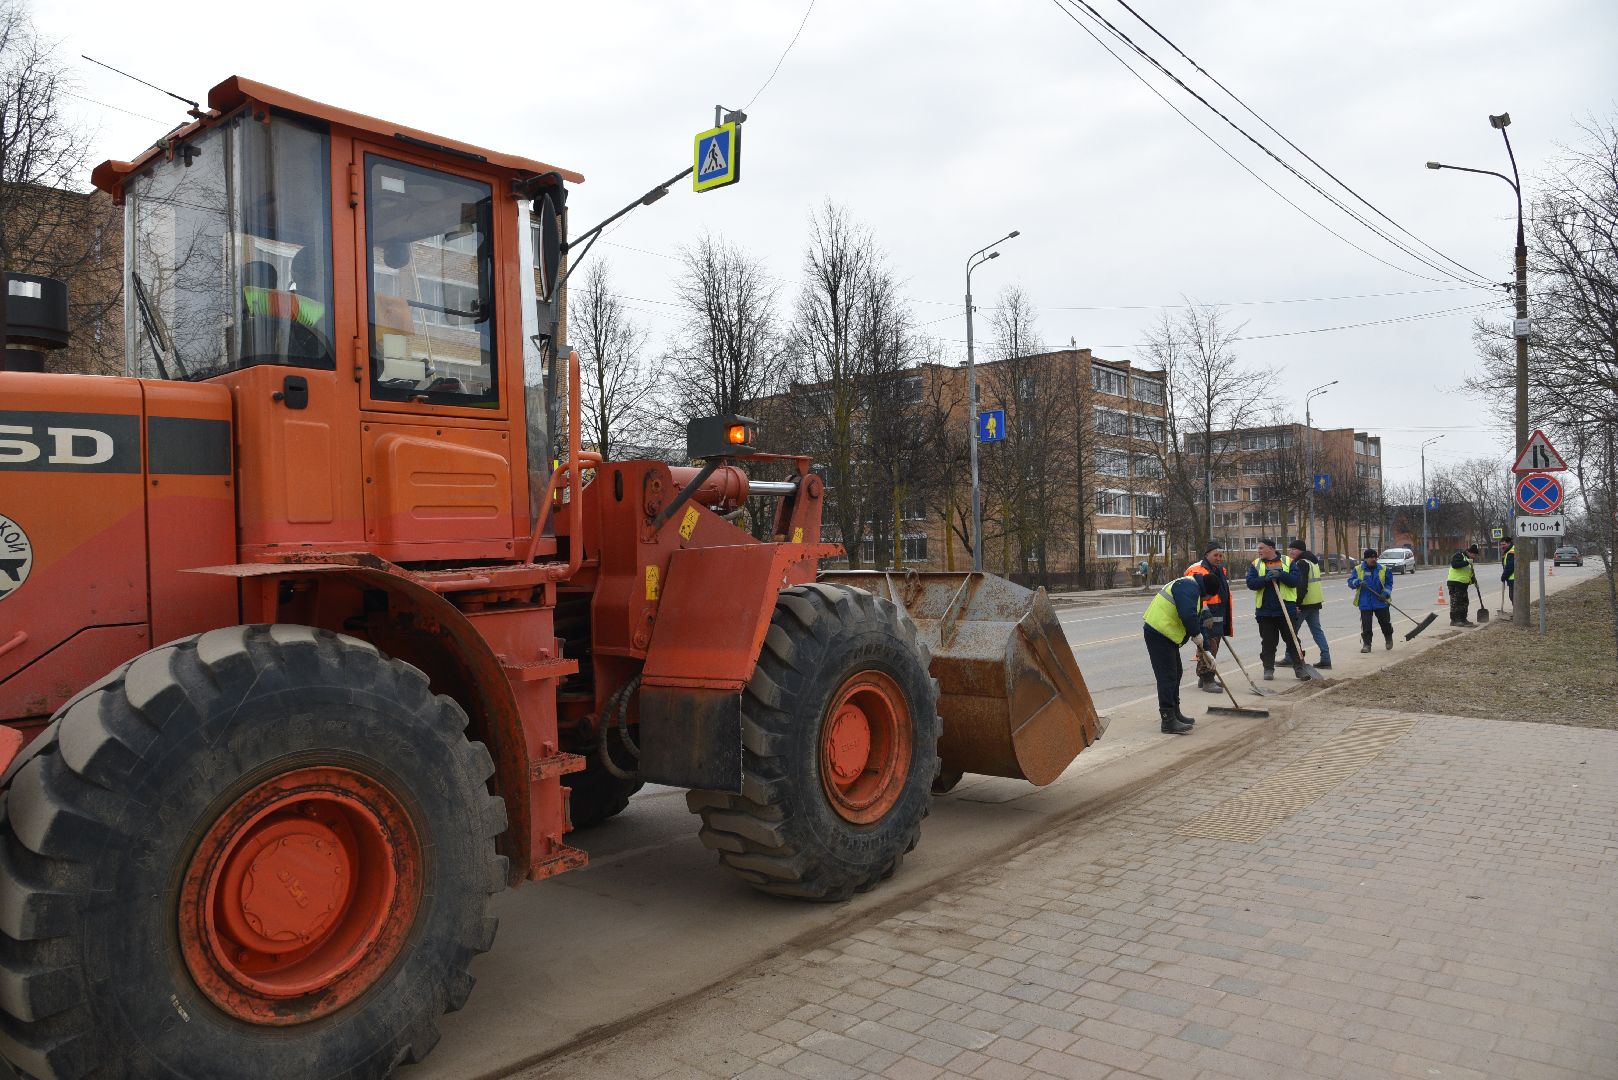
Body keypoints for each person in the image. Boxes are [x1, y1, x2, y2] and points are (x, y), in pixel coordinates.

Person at [1142, 570, 1225, 734]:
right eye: (1208, 597)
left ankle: (1176, 712)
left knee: (1176, 673)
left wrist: (1206, 651)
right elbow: (1188, 616)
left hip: (1167, 635)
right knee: (1168, 676)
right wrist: (1195, 634)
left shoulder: (1194, 590)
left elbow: (1197, 620)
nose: (1207, 600)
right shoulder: (1188, 587)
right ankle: (1168, 720)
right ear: (1207, 591)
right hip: (1158, 633)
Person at [1245, 537, 1305, 680]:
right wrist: (1265, 578)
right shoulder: (1256, 564)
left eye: (1261, 548)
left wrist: (1281, 574)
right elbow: (1251, 583)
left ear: (1271, 548)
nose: (1258, 551)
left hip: (1286, 610)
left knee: (1292, 641)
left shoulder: (1288, 562)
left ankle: (1300, 668)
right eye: (1258, 548)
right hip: (1265, 611)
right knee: (1268, 642)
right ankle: (1268, 669)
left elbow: (1295, 581)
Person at [1185, 541, 1233, 694]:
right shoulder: (1197, 570)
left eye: (1221, 555)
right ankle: (1207, 679)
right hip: (1206, 613)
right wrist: (1204, 611)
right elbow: (1194, 595)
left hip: (1218, 612)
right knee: (1207, 646)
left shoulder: (1219, 570)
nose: (1219, 558)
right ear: (1207, 555)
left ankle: (1205, 677)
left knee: (1214, 645)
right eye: (1215, 555)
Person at [1287, 538, 1332, 670]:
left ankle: (1290, 658)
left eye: (1293, 549)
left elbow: (1302, 586)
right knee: (1317, 631)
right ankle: (1326, 658)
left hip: (1304, 604)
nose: (1290, 551)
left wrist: (1297, 604)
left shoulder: (1302, 563)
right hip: (1315, 602)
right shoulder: (1313, 562)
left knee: (1291, 632)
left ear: (1300, 550)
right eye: (1290, 549)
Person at [1348, 548, 1395, 652]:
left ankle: (1388, 637)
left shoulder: (1384, 569)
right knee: (1366, 625)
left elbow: (1389, 583)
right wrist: (1357, 582)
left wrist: (1385, 594)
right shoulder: (1358, 569)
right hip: (1365, 602)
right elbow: (1350, 582)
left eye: (1375, 557)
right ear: (1365, 559)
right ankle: (1367, 645)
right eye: (1371, 557)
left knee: (1385, 623)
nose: (1374, 559)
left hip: (1381, 601)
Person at [1447, 543, 1480, 627]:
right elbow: (1455, 565)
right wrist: (1467, 562)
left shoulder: (1469, 560)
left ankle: (1463, 619)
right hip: (1455, 583)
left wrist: (1474, 581)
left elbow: (1470, 573)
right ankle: (1455, 620)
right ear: (1469, 552)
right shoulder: (1459, 555)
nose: (1474, 557)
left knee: (1464, 602)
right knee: (1456, 602)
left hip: (1463, 585)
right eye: (1474, 554)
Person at [1501, 538, 1516, 604]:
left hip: (1514, 578)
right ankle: (1516, 612)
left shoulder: (1511, 552)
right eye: (1501, 544)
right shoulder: (1508, 551)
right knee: (1512, 596)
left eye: (1504, 544)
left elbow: (1510, 566)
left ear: (1509, 543)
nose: (1502, 546)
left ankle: (1517, 613)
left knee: (1513, 596)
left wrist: (1504, 576)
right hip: (1512, 578)